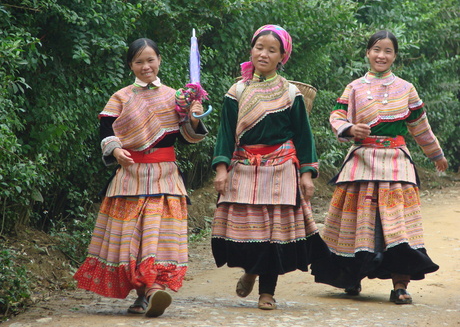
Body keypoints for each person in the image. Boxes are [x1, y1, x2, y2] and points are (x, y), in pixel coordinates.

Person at [311, 30, 448, 304]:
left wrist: (436, 155)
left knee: (398, 226)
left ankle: (400, 285)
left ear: (395, 56)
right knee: (356, 223)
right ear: (367, 53)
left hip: (396, 163)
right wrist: (350, 128)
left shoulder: (406, 89)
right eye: (376, 49)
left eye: (387, 51)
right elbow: (337, 115)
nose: (381, 55)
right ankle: (351, 279)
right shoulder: (354, 87)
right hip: (361, 161)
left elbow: (420, 127)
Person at [73, 38, 208, 317]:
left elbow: (188, 137)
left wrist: (194, 118)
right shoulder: (121, 97)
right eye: (139, 61)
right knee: (132, 239)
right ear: (131, 65)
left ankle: (152, 290)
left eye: (150, 60)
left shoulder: (177, 96)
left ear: (159, 60)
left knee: (159, 238)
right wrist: (116, 149)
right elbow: (106, 130)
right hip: (130, 178)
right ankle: (145, 293)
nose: (146, 66)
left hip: (165, 178)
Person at [211, 24, 330, 310]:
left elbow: (304, 136)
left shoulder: (291, 93)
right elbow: (226, 133)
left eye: (271, 50)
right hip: (244, 167)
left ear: (282, 57)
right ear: (251, 51)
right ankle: (250, 270)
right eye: (259, 47)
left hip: (281, 168)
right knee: (250, 231)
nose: (263, 54)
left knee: (274, 235)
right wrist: (221, 168)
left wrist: (307, 174)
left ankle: (267, 292)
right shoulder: (237, 90)